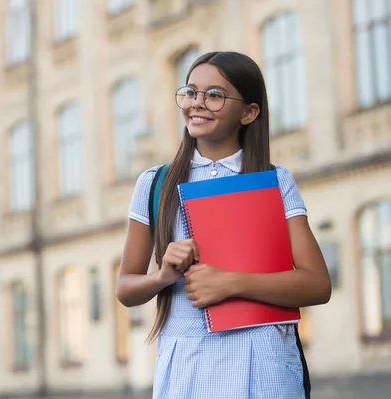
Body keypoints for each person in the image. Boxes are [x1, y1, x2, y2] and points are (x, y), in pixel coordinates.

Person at [116, 51, 331, 399]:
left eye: (215, 95)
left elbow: (317, 284)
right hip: (187, 366)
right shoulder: (155, 183)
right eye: (190, 92)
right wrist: (163, 276)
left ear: (249, 112)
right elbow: (125, 288)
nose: (197, 104)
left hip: (263, 363)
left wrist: (229, 283)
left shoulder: (275, 181)